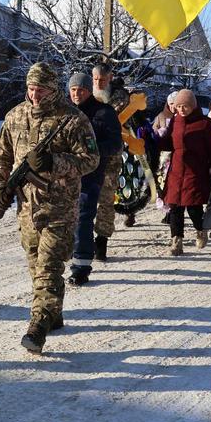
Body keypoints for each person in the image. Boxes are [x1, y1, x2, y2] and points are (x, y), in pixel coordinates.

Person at [0, 63, 99, 353]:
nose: (35, 95)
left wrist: (55, 163)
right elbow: (1, 156)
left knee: (49, 267)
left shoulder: (72, 119)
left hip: (60, 207)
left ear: (54, 89)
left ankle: (38, 325)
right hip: (27, 208)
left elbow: (90, 159)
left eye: (41, 90)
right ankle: (53, 312)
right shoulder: (15, 116)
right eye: (31, 89)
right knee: (36, 267)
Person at [67, 72, 123, 286]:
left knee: (83, 217)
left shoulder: (104, 112)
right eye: (73, 90)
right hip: (66, 175)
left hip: (91, 174)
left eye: (81, 90)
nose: (76, 94)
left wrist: (92, 152)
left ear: (89, 91)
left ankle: (81, 266)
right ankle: (65, 256)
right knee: (66, 219)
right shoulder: (65, 112)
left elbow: (115, 143)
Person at [156, 89, 211, 254]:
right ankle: (176, 242)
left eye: (185, 106)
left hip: (196, 172)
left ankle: (200, 230)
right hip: (176, 171)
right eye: (178, 106)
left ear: (193, 105)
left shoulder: (205, 123)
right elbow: (168, 143)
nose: (181, 110)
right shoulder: (175, 121)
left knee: (194, 209)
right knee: (175, 208)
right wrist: (152, 140)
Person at [92, 63, 130, 253]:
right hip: (88, 155)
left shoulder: (119, 97)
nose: (98, 84)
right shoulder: (86, 94)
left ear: (110, 78)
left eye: (103, 80)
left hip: (110, 156)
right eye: (96, 80)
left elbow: (111, 114)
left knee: (106, 199)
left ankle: (102, 238)